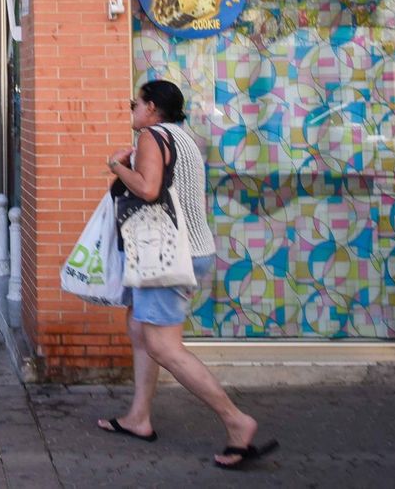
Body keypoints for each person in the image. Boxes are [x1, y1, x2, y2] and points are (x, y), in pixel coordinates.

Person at [96, 80, 280, 471]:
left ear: (151, 108)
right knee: (139, 327)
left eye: (135, 103)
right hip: (184, 251)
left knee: (163, 346)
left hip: (167, 256)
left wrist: (115, 166)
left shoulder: (150, 136)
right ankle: (138, 418)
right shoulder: (182, 138)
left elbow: (147, 190)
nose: (132, 110)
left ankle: (236, 421)